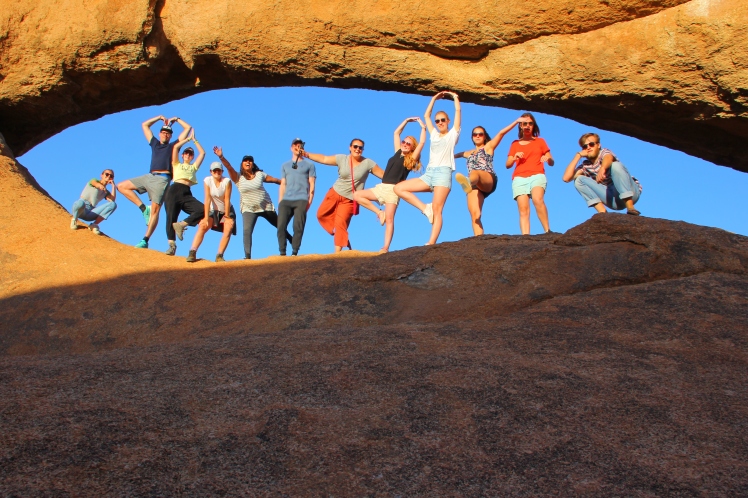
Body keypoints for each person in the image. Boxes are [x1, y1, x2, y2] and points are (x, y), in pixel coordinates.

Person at [394, 91, 461, 245]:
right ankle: (425, 208)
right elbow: (426, 116)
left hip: (443, 173)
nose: (439, 123)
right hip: (429, 174)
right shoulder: (434, 135)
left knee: (438, 210)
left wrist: (455, 98)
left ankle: (431, 242)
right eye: (437, 121)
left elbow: (458, 112)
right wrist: (433, 99)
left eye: (443, 120)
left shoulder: (453, 134)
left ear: (448, 120)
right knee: (399, 188)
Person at [117, 115, 192, 248]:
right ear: (160, 133)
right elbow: (145, 125)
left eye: (168, 133)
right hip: (149, 176)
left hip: (162, 179)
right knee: (121, 186)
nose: (165, 135)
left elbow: (188, 128)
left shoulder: (174, 146)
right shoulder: (155, 144)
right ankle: (143, 208)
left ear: (170, 136)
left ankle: (145, 239)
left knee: (155, 211)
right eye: (163, 132)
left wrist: (177, 120)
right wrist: (158, 118)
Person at [353, 117, 426, 253]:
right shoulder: (398, 152)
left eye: (408, 144)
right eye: (404, 142)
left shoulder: (410, 159)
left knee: (390, 220)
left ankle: (385, 247)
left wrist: (423, 127)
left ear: (412, 148)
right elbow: (396, 133)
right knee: (357, 195)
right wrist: (406, 121)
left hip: (394, 190)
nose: (404, 144)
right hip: (381, 187)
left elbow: (422, 142)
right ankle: (379, 212)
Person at [304, 139, 384, 252]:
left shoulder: (368, 163)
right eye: (355, 146)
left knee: (341, 223)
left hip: (349, 200)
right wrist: (306, 154)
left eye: (360, 148)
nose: (358, 149)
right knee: (320, 214)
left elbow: (383, 175)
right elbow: (324, 158)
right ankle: (340, 233)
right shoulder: (342, 159)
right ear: (350, 147)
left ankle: (337, 253)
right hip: (334, 192)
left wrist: (399, 181)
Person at [213, 147, 293, 259]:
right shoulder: (238, 177)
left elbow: (274, 180)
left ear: (253, 164)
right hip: (248, 208)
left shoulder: (260, 174)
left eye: (250, 160)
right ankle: (247, 256)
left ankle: (290, 239)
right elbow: (228, 167)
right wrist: (221, 156)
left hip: (265, 206)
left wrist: (285, 183)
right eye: (246, 160)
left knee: (279, 226)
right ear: (242, 164)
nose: (248, 162)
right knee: (247, 231)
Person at [454, 118, 522, 235]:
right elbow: (452, 155)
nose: (478, 136)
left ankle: (468, 182)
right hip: (474, 186)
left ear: (485, 136)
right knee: (475, 215)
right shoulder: (467, 153)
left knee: (475, 172)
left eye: (481, 134)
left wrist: (516, 122)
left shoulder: (488, 147)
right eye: (475, 134)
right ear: (472, 137)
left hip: (487, 178)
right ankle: (478, 241)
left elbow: (501, 133)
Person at [562, 133, 642, 215]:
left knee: (615, 165)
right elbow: (566, 178)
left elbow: (608, 157)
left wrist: (603, 169)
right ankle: (603, 214)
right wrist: (577, 156)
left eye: (591, 144)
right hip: (613, 200)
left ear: (598, 145)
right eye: (585, 146)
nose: (588, 148)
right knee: (578, 180)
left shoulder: (604, 152)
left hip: (631, 193)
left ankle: (630, 207)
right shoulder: (585, 165)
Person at [505, 113, 554, 235]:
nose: (527, 126)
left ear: (533, 126)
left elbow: (551, 161)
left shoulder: (540, 141)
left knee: (538, 200)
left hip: (537, 174)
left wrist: (547, 158)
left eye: (530, 123)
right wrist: (514, 157)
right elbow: (508, 165)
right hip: (519, 177)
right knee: (523, 209)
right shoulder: (515, 144)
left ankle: (547, 230)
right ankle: (525, 236)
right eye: (524, 123)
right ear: (520, 126)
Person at [163, 129, 205, 255]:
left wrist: (195, 140)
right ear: (182, 155)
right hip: (174, 189)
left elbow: (202, 153)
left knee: (202, 209)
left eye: (190, 154)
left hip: (186, 192)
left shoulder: (193, 167)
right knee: (171, 217)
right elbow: (175, 147)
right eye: (186, 153)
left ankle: (181, 224)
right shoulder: (176, 164)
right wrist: (187, 139)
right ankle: (171, 246)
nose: (188, 155)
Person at [186, 162, 236, 263]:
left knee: (228, 227)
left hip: (227, 209)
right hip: (213, 210)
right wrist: (205, 217)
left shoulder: (227, 181)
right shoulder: (207, 180)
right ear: (211, 172)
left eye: (219, 170)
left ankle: (219, 255)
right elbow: (207, 199)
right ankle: (192, 252)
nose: (217, 172)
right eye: (214, 170)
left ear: (222, 171)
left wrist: (227, 216)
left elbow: (227, 199)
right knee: (203, 226)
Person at [277, 139, 316, 256]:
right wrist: (280, 202)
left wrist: (310, 201)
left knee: (298, 227)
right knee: (280, 226)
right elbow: (283, 184)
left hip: (301, 199)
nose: (297, 147)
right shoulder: (285, 165)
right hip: (286, 200)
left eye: (299, 145)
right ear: (291, 147)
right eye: (295, 145)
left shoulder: (310, 165)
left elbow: (312, 184)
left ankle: (294, 252)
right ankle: (282, 253)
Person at [70, 169, 117, 235]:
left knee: (113, 205)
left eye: (111, 176)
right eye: (107, 174)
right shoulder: (94, 180)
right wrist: (100, 186)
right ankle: (74, 220)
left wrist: (113, 187)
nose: (109, 176)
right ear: (102, 175)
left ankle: (94, 225)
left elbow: (112, 200)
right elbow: (94, 183)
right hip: (81, 208)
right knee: (80, 203)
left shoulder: (105, 191)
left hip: (90, 213)